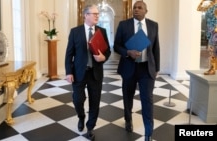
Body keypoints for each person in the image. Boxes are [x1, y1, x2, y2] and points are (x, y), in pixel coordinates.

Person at [113, 1, 160, 141]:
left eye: (140, 8)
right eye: (134, 7)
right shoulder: (124, 25)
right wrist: (128, 52)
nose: (136, 9)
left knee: (147, 100)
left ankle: (148, 132)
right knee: (128, 97)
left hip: (147, 69)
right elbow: (116, 46)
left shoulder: (153, 25)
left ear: (146, 10)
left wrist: (157, 67)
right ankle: (128, 119)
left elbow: (156, 47)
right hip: (129, 67)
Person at [65, 4, 111, 141]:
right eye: (94, 13)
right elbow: (69, 54)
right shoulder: (75, 32)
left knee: (95, 102)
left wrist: (104, 57)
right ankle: (81, 117)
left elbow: (107, 50)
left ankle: (90, 127)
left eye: (98, 14)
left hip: (95, 73)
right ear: (86, 15)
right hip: (79, 72)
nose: (97, 15)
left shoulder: (102, 31)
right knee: (77, 100)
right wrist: (68, 72)